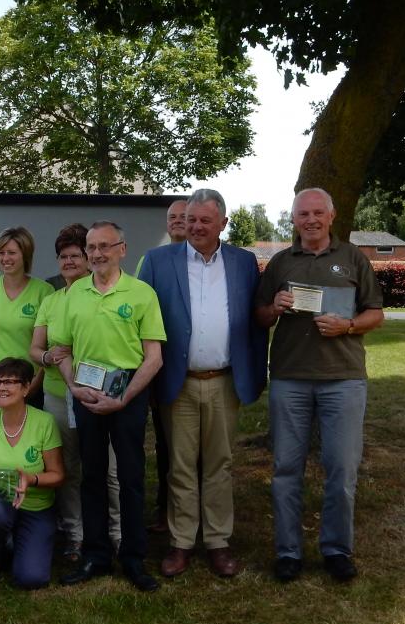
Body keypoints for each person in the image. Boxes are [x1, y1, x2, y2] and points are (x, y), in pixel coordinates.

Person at [253, 187, 384, 583]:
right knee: (286, 468)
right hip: (290, 379)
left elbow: (375, 314)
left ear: (331, 216)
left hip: (342, 380)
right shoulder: (279, 262)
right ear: (293, 220)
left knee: (341, 469)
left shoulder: (353, 259)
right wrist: (273, 307)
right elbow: (259, 318)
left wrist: (346, 325)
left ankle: (336, 550)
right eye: (302, 214)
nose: (310, 220)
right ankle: (288, 551)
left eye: (317, 213)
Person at [138, 188, 268, 579]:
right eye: (191, 219)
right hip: (177, 382)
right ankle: (180, 542)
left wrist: (255, 371)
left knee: (219, 465)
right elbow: (140, 324)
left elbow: (256, 321)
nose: (195, 226)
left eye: (205, 220)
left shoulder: (245, 263)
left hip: (225, 382)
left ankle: (217, 541)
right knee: (179, 466)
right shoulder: (159, 261)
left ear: (223, 224)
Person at [55, 221, 166, 592]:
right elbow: (63, 351)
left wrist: (125, 397)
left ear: (122, 248)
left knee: (131, 478)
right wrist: (73, 387)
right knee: (92, 477)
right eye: (91, 247)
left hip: (127, 397)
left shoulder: (141, 293)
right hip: (86, 395)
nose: (97, 254)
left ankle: (134, 557)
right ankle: (95, 555)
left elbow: (153, 358)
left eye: (105, 246)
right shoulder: (74, 294)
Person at [30, 222, 121, 562]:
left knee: (108, 468)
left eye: (75, 255)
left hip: (99, 395)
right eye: (62, 256)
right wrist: (45, 357)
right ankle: (75, 534)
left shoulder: (101, 293)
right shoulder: (52, 301)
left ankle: (117, 531)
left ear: (88, 258)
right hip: (58, 393)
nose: (69, 262)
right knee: (68, 467)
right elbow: (35, 347)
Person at [0, 358, 64, 589]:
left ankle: (15, 541)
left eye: (9, 382)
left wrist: (31, 478)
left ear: (26, 388)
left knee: (31, 578)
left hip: (36, 507)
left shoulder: (44, 422)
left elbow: (58, 475)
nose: (1, 388)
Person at [137, 198, 190, 532]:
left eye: (184, 217)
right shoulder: (151, 260)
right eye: (172, 217)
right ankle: (165, 509)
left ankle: (194, 510)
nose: (177, 222)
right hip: (164, 368)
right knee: (167, 445)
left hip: (202, 367)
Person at [0, 226, 53, 407]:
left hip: (28, 381)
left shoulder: (44, 291)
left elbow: (49, 343)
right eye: (1, 253)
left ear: (25, 254)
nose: (5, 258)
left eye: (12, 253)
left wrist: (36, 382)